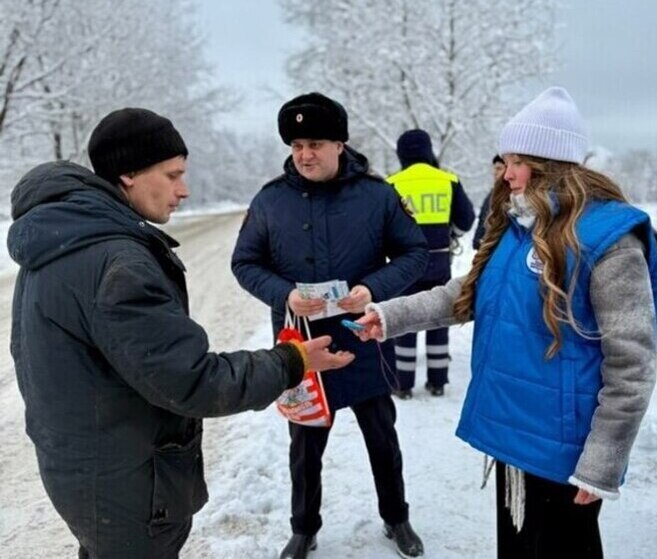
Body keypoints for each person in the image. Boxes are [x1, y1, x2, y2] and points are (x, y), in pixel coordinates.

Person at [7, 108, 354, 559]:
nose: (184, 190)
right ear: (128, 174)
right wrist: (293, 360)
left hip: (86, 472)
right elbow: (193, 382)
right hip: (130, 484)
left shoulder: (59, 243)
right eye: (173, 175)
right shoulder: (118, 263)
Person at [352, 87, 657, 558]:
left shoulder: (609, 241)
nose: (506, 174)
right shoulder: (521, 229)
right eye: (504, 161)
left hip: (565, 450)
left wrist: (602, 463)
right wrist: (388, 314)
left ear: (551, 163)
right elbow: (463, 294)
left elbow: (634, 365)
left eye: (516, 161)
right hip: (513, 432)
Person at [231, 92, 429, 558]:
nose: (305, 154)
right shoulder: (270, 201)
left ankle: (396, 517)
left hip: (364, 338)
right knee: (304, 447)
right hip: (302, 347)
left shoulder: (378, 195)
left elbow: (414, 253)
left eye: (315, 143)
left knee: (382, 436)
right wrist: (285, 295)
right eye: (297, 144)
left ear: (340, 143)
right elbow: (244, 263)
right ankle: (304, 528)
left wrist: (372, 289)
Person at [385, 129, 475, 398]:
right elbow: (466, 220)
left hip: (404, 267)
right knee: (438, 317)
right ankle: (437, 381)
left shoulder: (392, 183)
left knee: (405, 319)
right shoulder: (448, 180)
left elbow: (382, 227)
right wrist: (451, 235)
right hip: (438, 262)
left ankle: (403, 384)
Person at [473, 154, 506, 249]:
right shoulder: (492, 194)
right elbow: (482, 221)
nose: (495, 173)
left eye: (499, 169)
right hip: (486, 250)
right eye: (494, 169)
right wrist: (478, 241)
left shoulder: (512, 198)